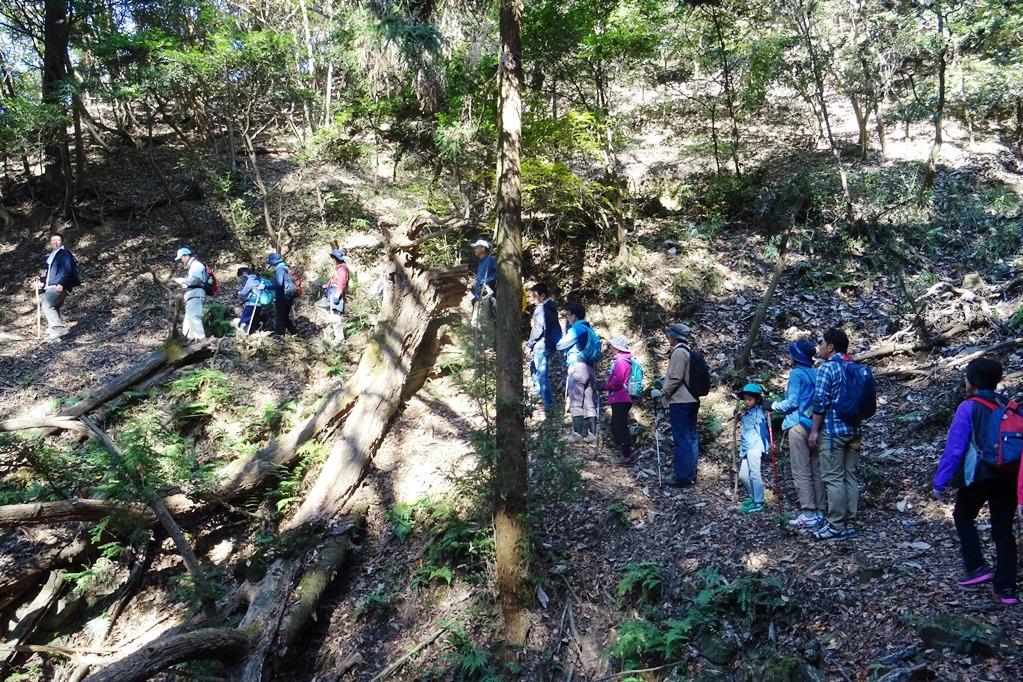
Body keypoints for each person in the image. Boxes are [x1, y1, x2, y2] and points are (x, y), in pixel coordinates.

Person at [934, 358, 1019, 605]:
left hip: (979, 474)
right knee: (1003, 531)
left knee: (962, 516)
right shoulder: (1009, 405)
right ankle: (1006, 589)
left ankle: (976, 567)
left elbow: (955, 449)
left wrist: (941, 482)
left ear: (971, 381)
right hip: (1009, 474)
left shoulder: (968, 407)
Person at [808, 327, 860, 540]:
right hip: (854, 430)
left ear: (830, 347)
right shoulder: (855, 366)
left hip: (833, 432)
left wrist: (814, 431)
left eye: (821, 343)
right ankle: (848, 524)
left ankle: (836, 524)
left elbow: (820, 403)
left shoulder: (827, 369)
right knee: (850, 476)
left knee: (833, 478)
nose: (819, 347)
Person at [771, 339, 824, 528]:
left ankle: (808, 512)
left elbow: (792, 402)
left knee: (801, 469)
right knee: (815, 469)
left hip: (798, 426)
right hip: (815, 427)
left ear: (796, 357)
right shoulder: (816, 373)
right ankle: (820, 511)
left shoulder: (796, 374)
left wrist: (774, 405)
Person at [661, 323, 700, 488]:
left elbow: (675, 378)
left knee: (682, 439)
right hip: (692, 399)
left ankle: (683, 476)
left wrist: (664, 392)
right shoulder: (688, 351)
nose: (668, 337)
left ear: (675, 337)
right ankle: (690, 474)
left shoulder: (678, 352)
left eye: (670, 335)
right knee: (691, 438)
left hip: (680, 401)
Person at [556, 303, 599, 443]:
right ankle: (592, 434)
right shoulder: (589, 329)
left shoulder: (577, 329)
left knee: (575, 399)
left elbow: (560, 345)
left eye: (568, 315)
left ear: (574, 316)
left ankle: (577, 433)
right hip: (590, 368)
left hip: (577, 368)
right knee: (589, 401)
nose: (568, 318)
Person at [526, 283, 562, 414]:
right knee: (534, 368)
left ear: (542, 295)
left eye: (535, 296)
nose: (533, 299)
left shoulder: (541, 309)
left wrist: (530, 344)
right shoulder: (552, 306)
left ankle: (548, 405)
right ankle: (537, 397)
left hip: (542, 344)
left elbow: (538, 329)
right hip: (550, 344)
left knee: (542, 374)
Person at [736, 384, 770, 513]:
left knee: (754, 474)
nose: (746, 402)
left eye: (750, 399)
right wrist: (738, 416)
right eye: (745, 399)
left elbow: (763, 430)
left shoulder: (758, 413)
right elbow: (745, 420)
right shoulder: (748, 413)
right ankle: (754, 497)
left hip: (755, 447)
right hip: (746, 448)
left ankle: (759, 502)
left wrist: (766, 447)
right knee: (744, 475)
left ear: (757, 400)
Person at [38, 233, 77, 342]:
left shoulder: (64, 254)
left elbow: (67, 270)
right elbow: (51, 274)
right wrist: (41, 281)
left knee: (47, 305)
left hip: (58, 286)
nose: (56, 242)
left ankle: (58, 329)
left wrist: (61, 283)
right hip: (51, 285)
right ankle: (57, 336)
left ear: (61, 242)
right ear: (50, 242)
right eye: (53, 240)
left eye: (58, 240)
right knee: (54, 307)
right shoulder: (52, 256)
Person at [605, 336, 635, 464]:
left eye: (612, 346)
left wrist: (604, 386)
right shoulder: (622, 360)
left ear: (617, 348)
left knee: (619, 426)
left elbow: (617, 382)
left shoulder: (620, 362)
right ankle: (624, 451)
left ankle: (626, 454)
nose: (610, 348)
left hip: (620, 397)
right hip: (620, 397)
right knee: (616, 425)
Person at [173, 247, 207, 341]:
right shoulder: (194, 266)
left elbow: (197, 280)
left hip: (196, 294)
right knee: (188, 320)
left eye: (182, 257)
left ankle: (202, 339)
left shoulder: (196, 265)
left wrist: (182, 281)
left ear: (186, 256)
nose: (181, 260)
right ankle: (187, 340)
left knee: (194, 317)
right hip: (192, 294)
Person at [315, 249, 350, 339]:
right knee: (318, 305)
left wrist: (337, 295)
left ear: (335, 258)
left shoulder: (342, 269)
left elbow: (341, 283)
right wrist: (324, 286)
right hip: (331, 293)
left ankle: (340, 340)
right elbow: (333, 282)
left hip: (335, 294)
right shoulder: (339, 268)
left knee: (335, 317)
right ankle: (330, 321)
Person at [267, 252, 298, 336]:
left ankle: (279, 335)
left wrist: (267, 287)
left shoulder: (279, 270)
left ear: (274, 262)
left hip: (283, 296)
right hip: (289, 295)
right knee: (284, 317)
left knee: (280, 317)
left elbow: (279, 284)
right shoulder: (285, 268)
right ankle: (294, 333)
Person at [236, 267, 273, 334]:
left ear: (244, 273)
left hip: (252, 303)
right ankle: (251, 333)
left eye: (241, 277)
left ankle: (244, 334)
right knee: (253, 319)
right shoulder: (258, 279)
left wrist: (238, 292)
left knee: (245, 320)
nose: (242, 279)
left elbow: (244, 292)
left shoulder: (251, 280)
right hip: (259, 303)